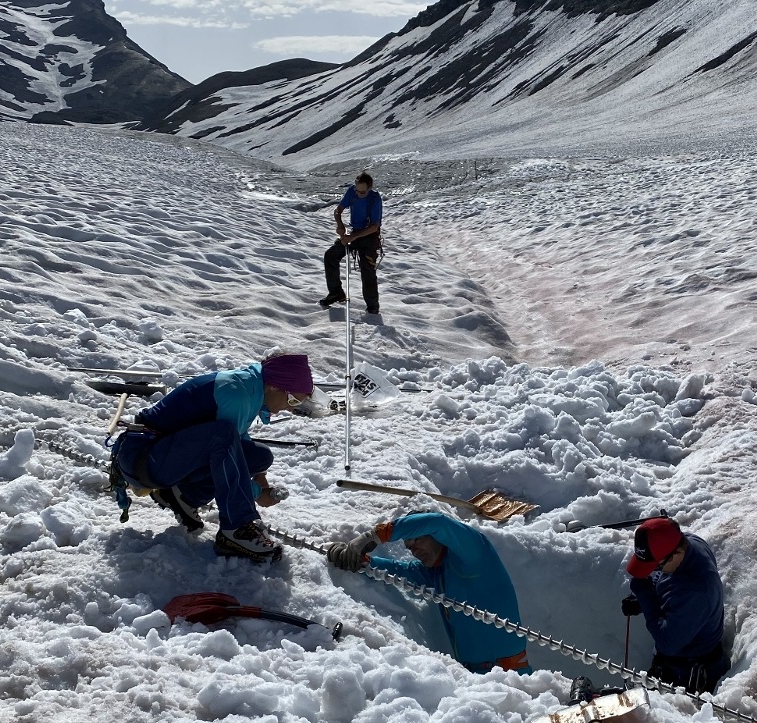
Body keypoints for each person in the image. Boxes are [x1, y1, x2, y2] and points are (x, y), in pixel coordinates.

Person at [110, 352, 315, 562]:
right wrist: (255, 492)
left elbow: (238, 438)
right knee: (222, 437)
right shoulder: (238, 393)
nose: (291, 407)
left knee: (258, 456)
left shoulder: (250, 387)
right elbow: (226, 444)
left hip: (163, 456)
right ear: (274, 385)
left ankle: (182, 495)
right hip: (143, 458)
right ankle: (236, 530)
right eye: (292, 399)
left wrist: (261, 481)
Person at [327, 511, 532, 674]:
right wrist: (363, 563)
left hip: (510, 676)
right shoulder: (435, 573)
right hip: (476, 678)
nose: (414, 550)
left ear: (435, 536)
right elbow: (399, 571)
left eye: (417, 540)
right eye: (409, 547)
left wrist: (375, 536)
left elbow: (438, 522)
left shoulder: (475, 555)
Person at [621, 516, 731, 693]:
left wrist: (646, 595)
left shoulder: (697, 589)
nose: (652, 572)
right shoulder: (690, 542)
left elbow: (667, 643)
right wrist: (647, 599)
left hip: (688, 672)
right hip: (685, 639)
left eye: (656, 566)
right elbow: (668, 582)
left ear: (676, 553)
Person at [319, 171, 383, 314]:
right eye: (357, 190)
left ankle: (373, 306)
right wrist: (340, 225)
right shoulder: (352, 192)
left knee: (367, 269)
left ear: (369, 188)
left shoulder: (375, 199)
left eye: (363, 191)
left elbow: (374, 227)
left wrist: (352, 237)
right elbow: (338, 210)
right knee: (331, 255)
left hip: (369, 236)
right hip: (354, 233)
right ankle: (336, 292)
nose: (359, 193)